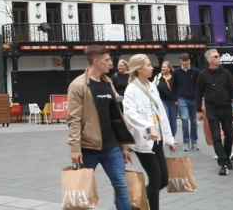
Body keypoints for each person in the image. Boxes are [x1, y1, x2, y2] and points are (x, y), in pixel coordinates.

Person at [67, 45, 132, 210]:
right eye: (107, 60)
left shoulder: (107, 82)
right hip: (88, 147)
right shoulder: (78, 85)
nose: (110, 63)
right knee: (83, 190)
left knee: (122, 186)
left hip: (111, 146)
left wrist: (123, 146)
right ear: (96, 61)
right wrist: (75, 147)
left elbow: (115, 115)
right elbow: (74, 119)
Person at [124, 55, 175, 210]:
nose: (152, 67)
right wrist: (147, 126)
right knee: (155, 179)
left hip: (157, 139)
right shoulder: (131, 89)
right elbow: (130, 114)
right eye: (148, 65)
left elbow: (162, 114)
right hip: (144, 141)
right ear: (139, 68)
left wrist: (170, 139)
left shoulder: (152, 86)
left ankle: (139, 202)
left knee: (164, 180)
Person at [195, 49, 233, 176]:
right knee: (216, 136)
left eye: (218, 56)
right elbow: (199, 92)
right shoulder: (203, 74)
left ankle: (226, 157)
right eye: (215, 56)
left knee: (229, 135)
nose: (218, 58)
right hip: (212, 109)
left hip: (226, 107)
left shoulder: (226, 73)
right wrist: (198, 110)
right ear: (209, 59)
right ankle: (222, 163)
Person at [173, 53, 200, 151]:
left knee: (194, 121)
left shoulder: (196, 71)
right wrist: (175, 99)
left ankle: (194, 141)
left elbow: (199, 86)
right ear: (180, 61)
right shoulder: (176, 72)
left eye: (186, 60)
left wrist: (200, 99)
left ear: (189, 61)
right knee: (184, 119)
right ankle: (186, 141)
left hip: (194, 98)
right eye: (183, 60)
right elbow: (174, 86)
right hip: (182, 97)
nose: (184, 62)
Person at [154, 61, 178, 138]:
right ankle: (166, 136)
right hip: (162, 101)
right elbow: (153, 86)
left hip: (173, 101)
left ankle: (172, 136)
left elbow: (178, 88)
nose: (162, 68)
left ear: (169, 68)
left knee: (173, 120)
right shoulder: (158, 77)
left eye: (164, 67)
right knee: (166, 118)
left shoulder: (174, 77)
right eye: (162, 67)